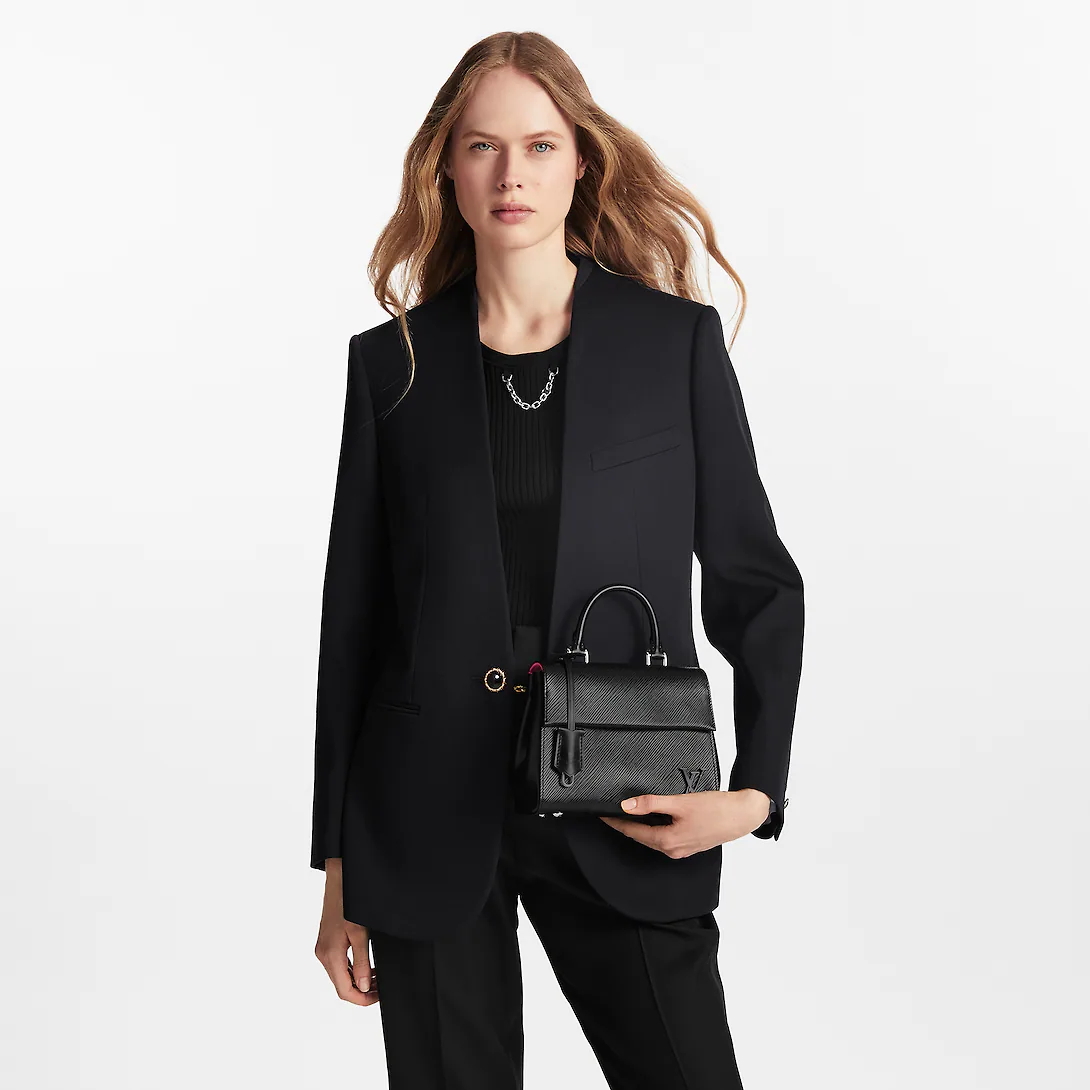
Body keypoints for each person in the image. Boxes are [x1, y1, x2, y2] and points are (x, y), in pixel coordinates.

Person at [310, 31, 805, 1090]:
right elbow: (353, 621)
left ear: (581, 160)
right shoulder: (390, 365)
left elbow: (755, 579)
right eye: (482, 146)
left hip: (627, 798)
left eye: (539, 145)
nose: (511, 174)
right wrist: (339, 866)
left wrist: (757, 791)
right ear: (446, 167)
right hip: (425, 810)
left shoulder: (671, 343)